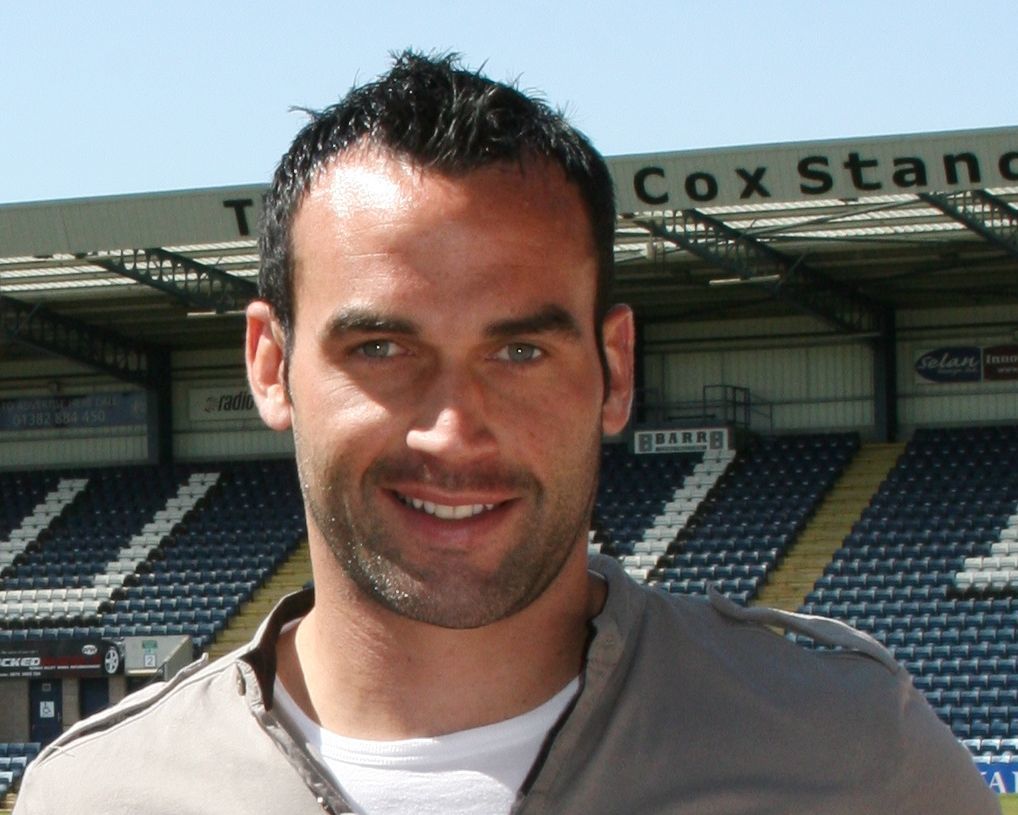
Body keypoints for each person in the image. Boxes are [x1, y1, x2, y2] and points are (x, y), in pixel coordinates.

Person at [15, 52, 998, 815]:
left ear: (613, 369)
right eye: (383, 346)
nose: (453, 429)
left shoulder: (850, 750)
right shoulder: (98, 792)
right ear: (271, 364)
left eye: (520, 352)